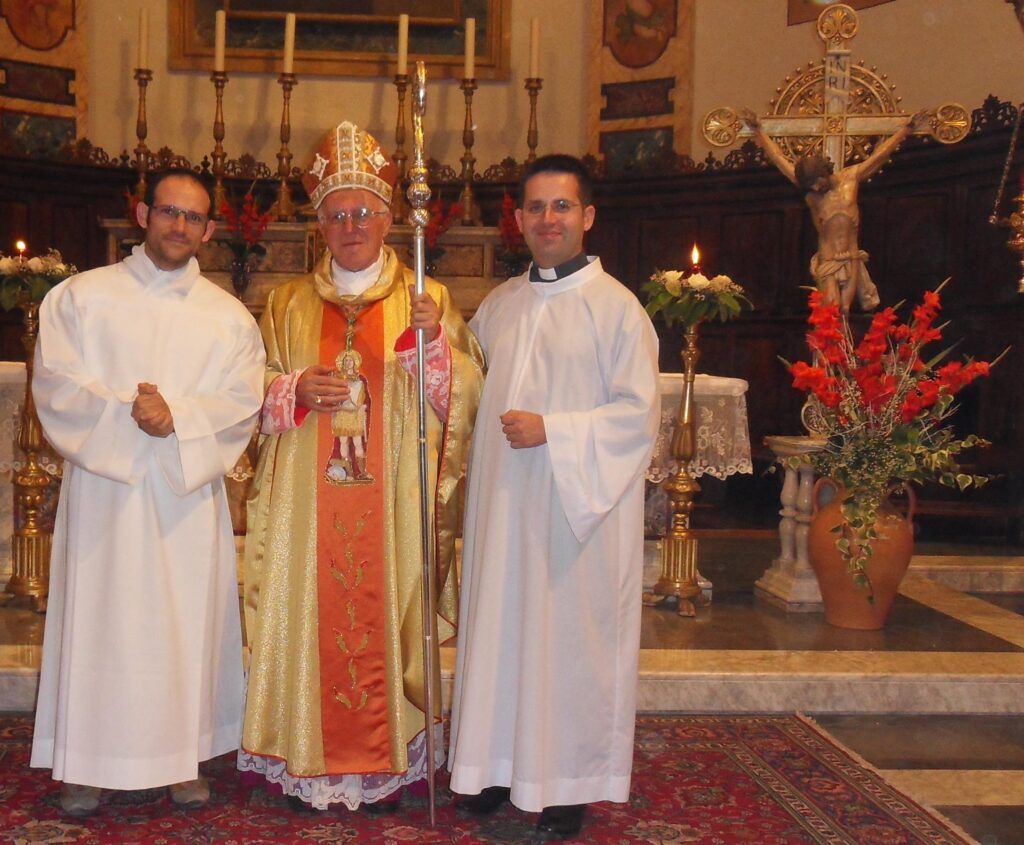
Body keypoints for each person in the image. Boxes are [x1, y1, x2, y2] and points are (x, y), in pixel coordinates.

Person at [240, 120, 484, 812]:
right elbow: (246, 388)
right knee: (309, 609)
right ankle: (305, 756)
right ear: (319, 223)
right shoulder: (287, 303)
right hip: (305, 509)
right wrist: (291, 391)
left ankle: (391, 763)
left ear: (387, 218)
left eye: (363, 213)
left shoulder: (426, 300)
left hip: (393, 505)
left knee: (387, 606)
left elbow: (466, 395)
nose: (350, 226)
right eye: (337, 214)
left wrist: (434, 353)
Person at [29, 168, 266, 816]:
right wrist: (128, 416)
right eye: (168, 211)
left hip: (181, 499)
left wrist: (177, 418)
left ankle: (181, 759)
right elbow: (56, 383)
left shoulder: (228, 318)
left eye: (194, 217)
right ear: (142, 214)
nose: (179, 226)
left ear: (209, 230)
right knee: (100, 624)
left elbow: (243, 399)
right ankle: (86, 763)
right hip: (105, 493)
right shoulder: (81, 298)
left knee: (181, 630)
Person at [447, 154, 660, 839]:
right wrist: (432, 345)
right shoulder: (501, 304)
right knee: (502, 632)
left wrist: (555, 430)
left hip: (575, 519)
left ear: (587, 216)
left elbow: (638, 416)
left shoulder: (618, 310)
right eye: (535, 207)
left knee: (568, 646)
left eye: (561, 206)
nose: (547, 219)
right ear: (518, 218)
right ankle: (494, 768)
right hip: (503, 511)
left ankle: (569, 785)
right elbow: (463, 395)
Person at [739, 107, 930, 313]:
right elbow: (779, 159)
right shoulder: (812, 194)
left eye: (817, 182)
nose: (815, 188)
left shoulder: (851, 178)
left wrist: (906, 130)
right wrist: (758, 131)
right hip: (828, 256)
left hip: (852, 255)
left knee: (845, 310)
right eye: (810, 186)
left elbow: (880, 155)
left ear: (825, 172)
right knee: (831, 309)